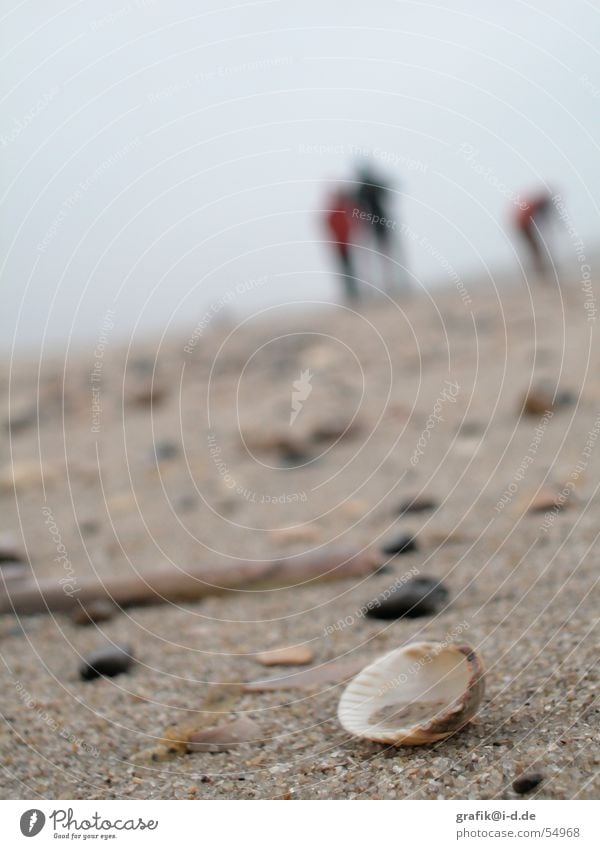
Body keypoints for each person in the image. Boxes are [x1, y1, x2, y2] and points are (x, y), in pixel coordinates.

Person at [324, 188, 360, 301]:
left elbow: (351, 224)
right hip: (341, 246)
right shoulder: (338, 212)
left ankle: (353, 293)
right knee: (347, 270)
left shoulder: (343, 211)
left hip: (345, 245)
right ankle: (351, 293)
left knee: (349, 270)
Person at [514, 192, 554, 273]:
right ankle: (540, 270)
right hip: (524, 227)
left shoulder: (535, 205)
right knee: (535, 249)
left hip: (523, 226)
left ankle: (539, 269)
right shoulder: (536, 206)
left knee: (535, 249)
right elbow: (535, 221)